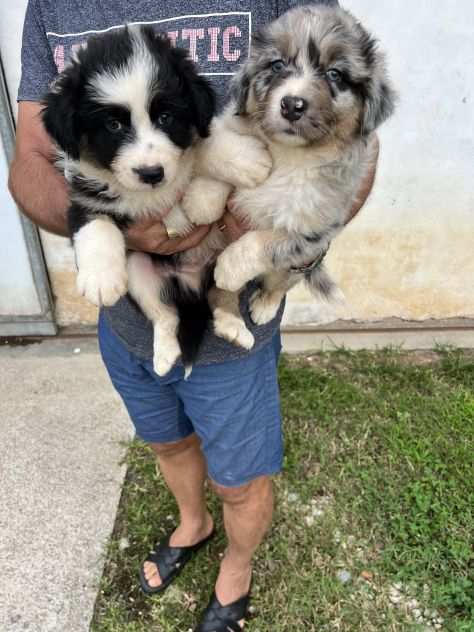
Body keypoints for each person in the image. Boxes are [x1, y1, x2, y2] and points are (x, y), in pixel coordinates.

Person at [9, 1, 378, 629]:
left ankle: (237, 564)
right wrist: (125, 233)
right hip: (132, 315)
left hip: (233, 317)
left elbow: (351, 147)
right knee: (169, 442)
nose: (147, 152)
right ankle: (193, 523)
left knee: (240, 475)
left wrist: (248, 239)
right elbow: (32, 160)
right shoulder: (52, 7)